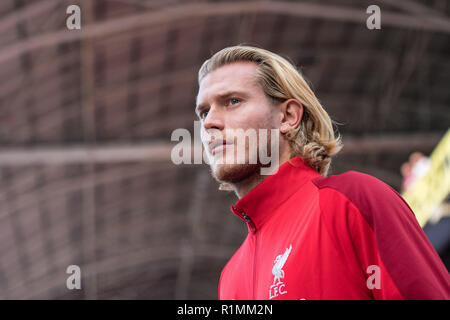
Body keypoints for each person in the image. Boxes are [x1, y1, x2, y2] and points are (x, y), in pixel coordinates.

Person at [195, 45, 450, 300]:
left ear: (288, 116)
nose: (208, 123)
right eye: (204, 111)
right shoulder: (230, 278)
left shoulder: (352, 201)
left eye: (233, 101)